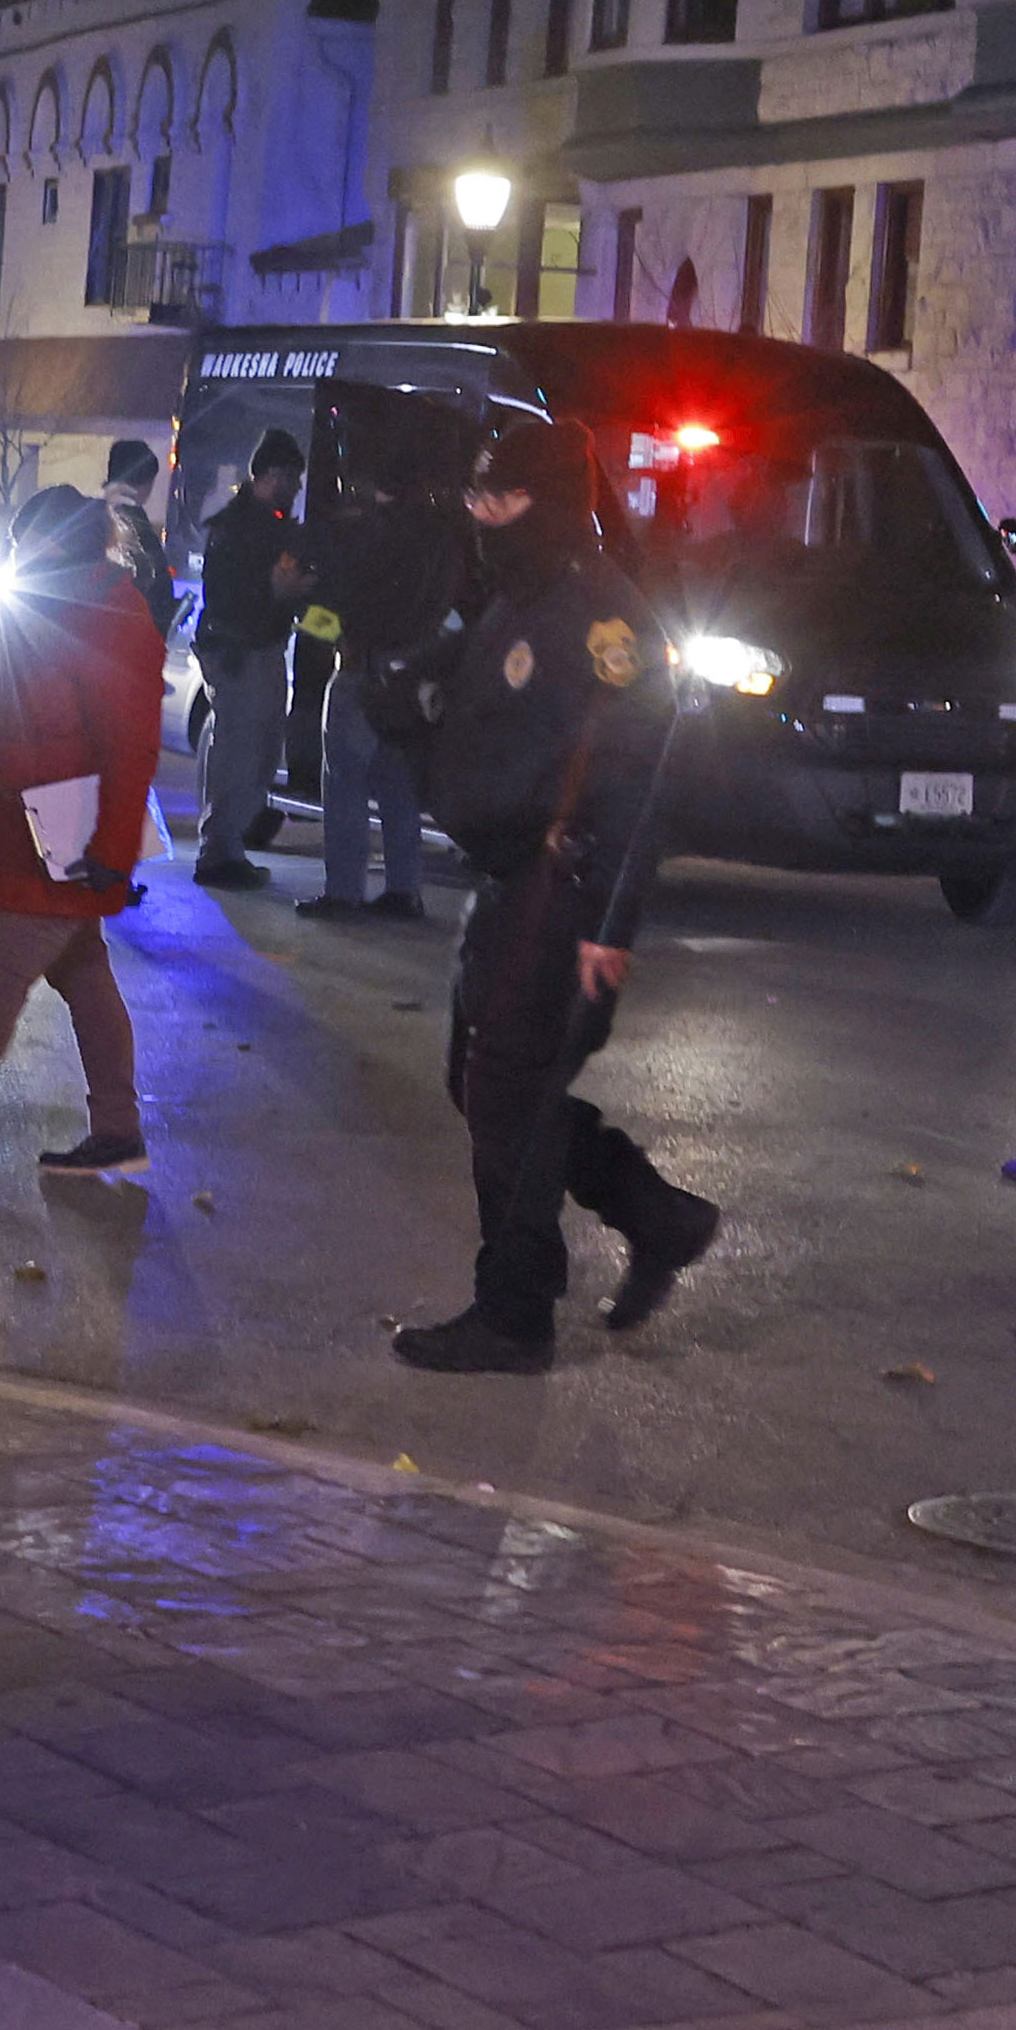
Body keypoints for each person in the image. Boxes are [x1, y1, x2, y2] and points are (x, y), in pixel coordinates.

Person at [389, 419, 718, 1369]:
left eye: (503, 498)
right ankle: (653, 1214)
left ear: (553, 504)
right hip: (505, 882)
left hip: (561, 887)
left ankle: (516, 1309)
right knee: (487, 1084)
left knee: (503, 1088)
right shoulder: (513, 596)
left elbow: (641, 783)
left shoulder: (601, 618)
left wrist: (610, 920)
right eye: (477, 497)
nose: (484, 515)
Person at [0, 487, 165, 1180]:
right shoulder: (47, 603)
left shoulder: (105, 613)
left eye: (25, 539)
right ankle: (117, 1128)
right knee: (83, 973)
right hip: (30, 832)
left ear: (54, 541)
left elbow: (130, 744)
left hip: (60, 840)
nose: (17, 551)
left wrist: (110, 850)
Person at [310, 437, 444, 922]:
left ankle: (343, 892)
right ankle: (404, 890)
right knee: (399, 788)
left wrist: (310, 618)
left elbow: (338, 605)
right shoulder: (440, 538)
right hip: (410, 677)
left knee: (345, 784)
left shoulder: (367, 535)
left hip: (362, 671)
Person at [187, 436, 311, 879]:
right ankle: (219, 853)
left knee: (258, 753)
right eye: (292, 478)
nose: (297, 488)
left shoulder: (262, 525)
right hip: (240, 654)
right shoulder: (239, 529)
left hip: (259, 649)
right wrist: (276, 591)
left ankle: (228, 849)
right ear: (270, 476)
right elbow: (229, 599)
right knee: (239, 754)